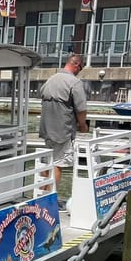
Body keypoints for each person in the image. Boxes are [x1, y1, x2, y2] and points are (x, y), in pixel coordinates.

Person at [38, 54, 88, 213]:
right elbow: (81, 109)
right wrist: (83, 125)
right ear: (77, 65)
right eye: (81, 68)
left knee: (48, 162)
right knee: (58, 164)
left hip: (46, 129)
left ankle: (41, 197)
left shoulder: (51, 79)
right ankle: (49, 202)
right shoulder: (74, 82)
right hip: (63, 131)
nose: (80, 71)